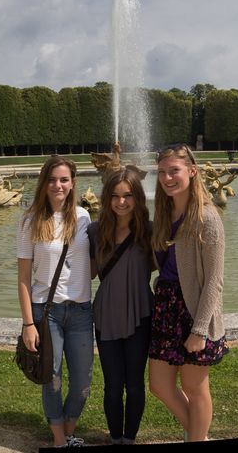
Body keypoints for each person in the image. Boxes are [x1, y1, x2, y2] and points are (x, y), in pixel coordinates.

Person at [148, 144, 228, 442]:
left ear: (192, 172)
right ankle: (200, 435)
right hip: (167, 305)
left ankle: (196, 438)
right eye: (162, 173)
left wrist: (199, 329)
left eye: (174, 171)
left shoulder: (207, 218)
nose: (167, 178)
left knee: (195, 387)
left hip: (195, 309)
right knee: (159, 385)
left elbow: (214, 282)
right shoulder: (165, 212)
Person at [17, 156, 93, 448]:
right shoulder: (30, 220)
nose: (57, 185)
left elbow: (93, 261)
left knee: (82, 384)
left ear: (73, 183)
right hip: (45, 311)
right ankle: (61, 441)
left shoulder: (85, 217)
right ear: (43, 183)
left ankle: (69, 429)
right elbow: (24, 278)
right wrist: (27, 323)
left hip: (82, 310)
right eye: (51, 179)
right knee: (52, 379)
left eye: (63, 179)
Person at [88, 168, 155, 445]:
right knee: (113, 386)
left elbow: (165, 266)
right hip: (106, 315)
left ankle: (130, 439)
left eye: (128, 195)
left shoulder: (149, 230)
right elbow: (87, 273)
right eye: (115, 196)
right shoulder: (94, 231)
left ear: (137, 197)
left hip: (140, 313)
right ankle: (115, 438)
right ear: (107, 198)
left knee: (135, 384)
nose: (121, 202)